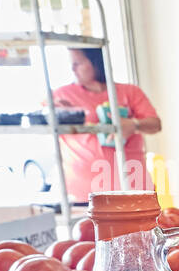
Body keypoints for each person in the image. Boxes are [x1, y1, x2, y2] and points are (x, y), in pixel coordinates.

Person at [52, 48, 161, 202]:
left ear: (96, 63)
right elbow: (40, 121)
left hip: (132, 186)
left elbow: (155, 124)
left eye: (78, 63)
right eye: (71, 64)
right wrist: (60, 114)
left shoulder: (129, 91)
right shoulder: (61, 96)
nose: (73, 69)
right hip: (84, 193)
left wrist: (134, 124)